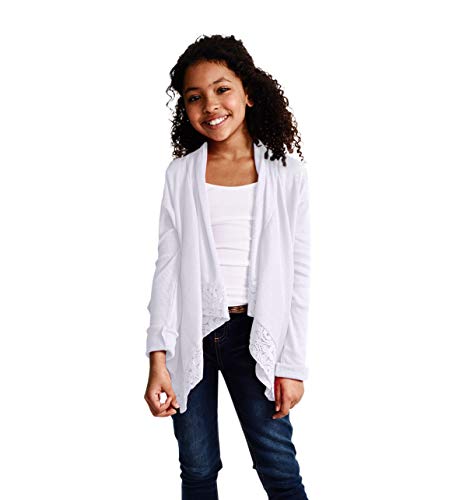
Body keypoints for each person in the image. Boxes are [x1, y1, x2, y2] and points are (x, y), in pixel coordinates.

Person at [144, 34, 311, 500]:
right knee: (197, 467)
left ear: (248, 93)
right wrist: (158, 358)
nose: (210, 105)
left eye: (222, 89)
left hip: (256, 336)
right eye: (194, 97)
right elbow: (167, 270)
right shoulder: (181, 175)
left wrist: (292, 365)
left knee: (277, 466)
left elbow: (299, 275)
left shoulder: (285, 173)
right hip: (190, 335)